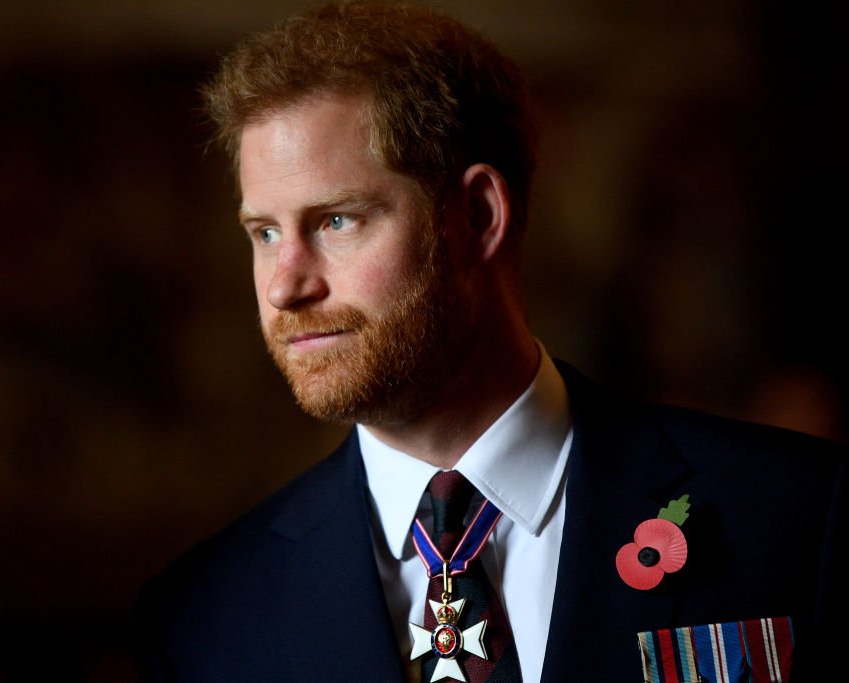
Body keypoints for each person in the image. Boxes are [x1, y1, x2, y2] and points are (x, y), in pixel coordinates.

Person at [136, 2, 848, 681]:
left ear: (478, 216)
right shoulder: (204, 618)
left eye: (336, 222)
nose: (285, 287)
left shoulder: (795, 517)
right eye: (264, 232)